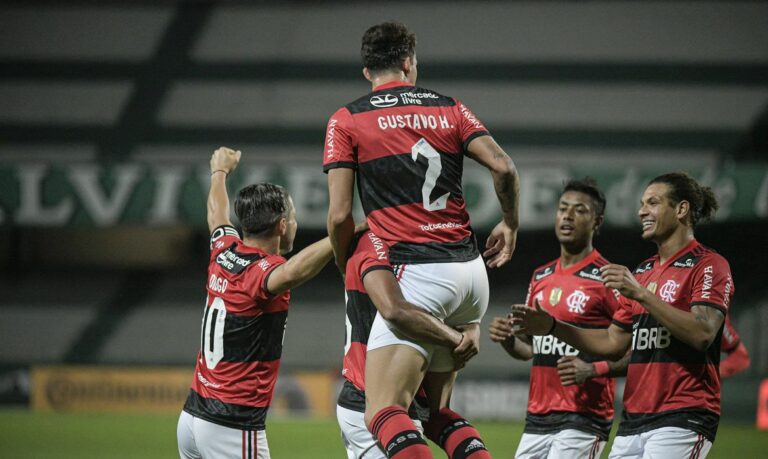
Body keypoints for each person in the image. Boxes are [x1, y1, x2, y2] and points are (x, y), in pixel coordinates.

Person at [323, 22, 520, 458]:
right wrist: (510, 222)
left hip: (417, 271)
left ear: (366, 72)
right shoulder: (450, 108)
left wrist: (343, 258)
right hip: (471, 273)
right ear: (410, 63)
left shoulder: (348, 118)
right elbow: (504, 167)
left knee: (382, 409)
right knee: (435, 411)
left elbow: (339, 214)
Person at [512, 172, 733, 458]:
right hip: (633, 420)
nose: (642, 211)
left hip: (683, 414)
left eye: (653, 203)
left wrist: (641, 294)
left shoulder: (708, 264)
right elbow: (612, 344)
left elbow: (703, 333)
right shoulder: (641, 272)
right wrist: (554, 326)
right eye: (642, 204)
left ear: (681, 209)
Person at [177, 147, 335, 459]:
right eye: (292, 217)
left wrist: (219, 172)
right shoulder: (262, 274)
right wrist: (344, 231)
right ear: (281, 225)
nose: (295, 223)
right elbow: (294, 270)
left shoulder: (223, 249)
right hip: (231, 426)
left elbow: (215, 212)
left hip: (192, 419)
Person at [489, 178, 623, 458]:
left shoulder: (608, 277)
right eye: (563, 208)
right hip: (537, 418)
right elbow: (530, 350)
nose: (568, 216)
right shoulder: (541, 276)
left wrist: (593, 369)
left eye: (580, 210)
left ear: (597, 222)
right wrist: (509, 340)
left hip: (583, 418)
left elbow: (634, 348)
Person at [338, 230, 479, 459]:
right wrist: (458, 338)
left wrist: (470, 324)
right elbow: (395, 310)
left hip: (412, 393)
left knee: (440, 415)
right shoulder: (372, 242)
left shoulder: (423, 244)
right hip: (368, 396)